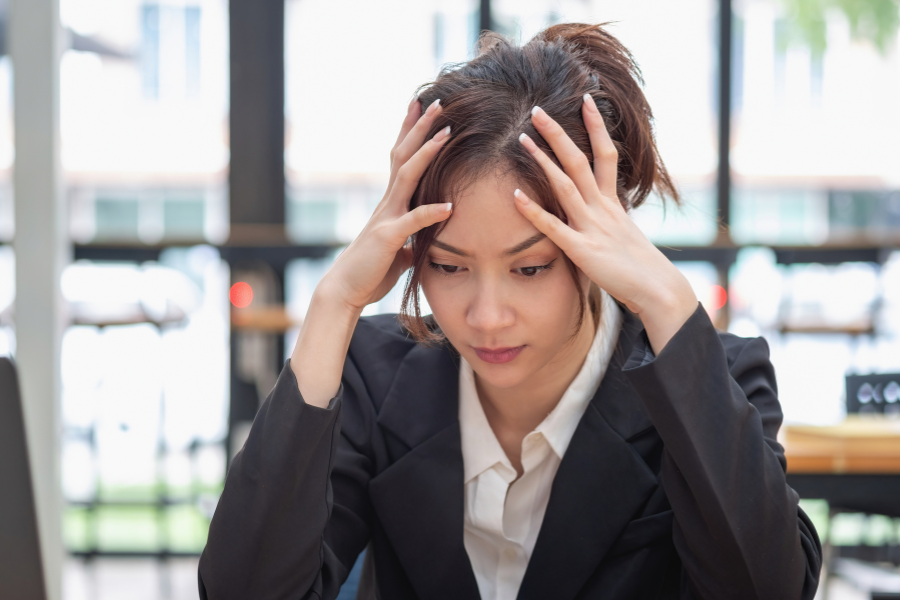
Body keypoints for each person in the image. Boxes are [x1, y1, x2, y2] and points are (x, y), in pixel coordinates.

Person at [199, 23, 822, 600]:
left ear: (600, 243)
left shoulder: (714, 379)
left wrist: (665, 300)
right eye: (447, 266)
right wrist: (333, 304)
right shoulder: (373, 376)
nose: (487, 316)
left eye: (530, 269)